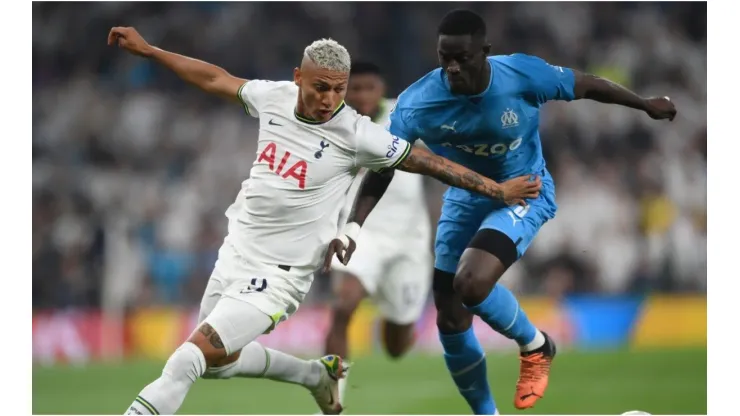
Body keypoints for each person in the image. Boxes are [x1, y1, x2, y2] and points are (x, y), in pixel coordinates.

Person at [107, 26, 542, 416]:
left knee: (188, 358)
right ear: (298, 78)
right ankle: (315, 376)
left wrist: (497, 190)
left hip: (281, 276)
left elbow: (425, 162)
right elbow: (214, 77)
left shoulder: (356, 134)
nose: (329, 99)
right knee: (219, 364)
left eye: (338, 89)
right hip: (235, 254)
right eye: (319, 88)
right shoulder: (272, 98)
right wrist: (150, 52)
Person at [355, 9, 677, 415]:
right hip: (465, 198)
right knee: (451, 321)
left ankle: (537, 345)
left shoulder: (522, 74)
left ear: (485, 52)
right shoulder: (417, 103)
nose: (452, 67)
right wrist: (353, 226)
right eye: (444, 58)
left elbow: (588, 84)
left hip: (525, 192)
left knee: (470, 284)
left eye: (463, 58)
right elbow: (384, 166)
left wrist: (644, 104)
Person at [323, 62, 433, 407]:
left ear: (381, 88)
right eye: (354, 89)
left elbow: (440, 154)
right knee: (343, 307)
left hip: (408, 243)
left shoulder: (407, 114)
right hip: (360, 233)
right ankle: (330, 400)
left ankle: (398, 314)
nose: (361, 96)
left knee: (396, 346)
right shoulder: (332, 122)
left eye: (369, 88)